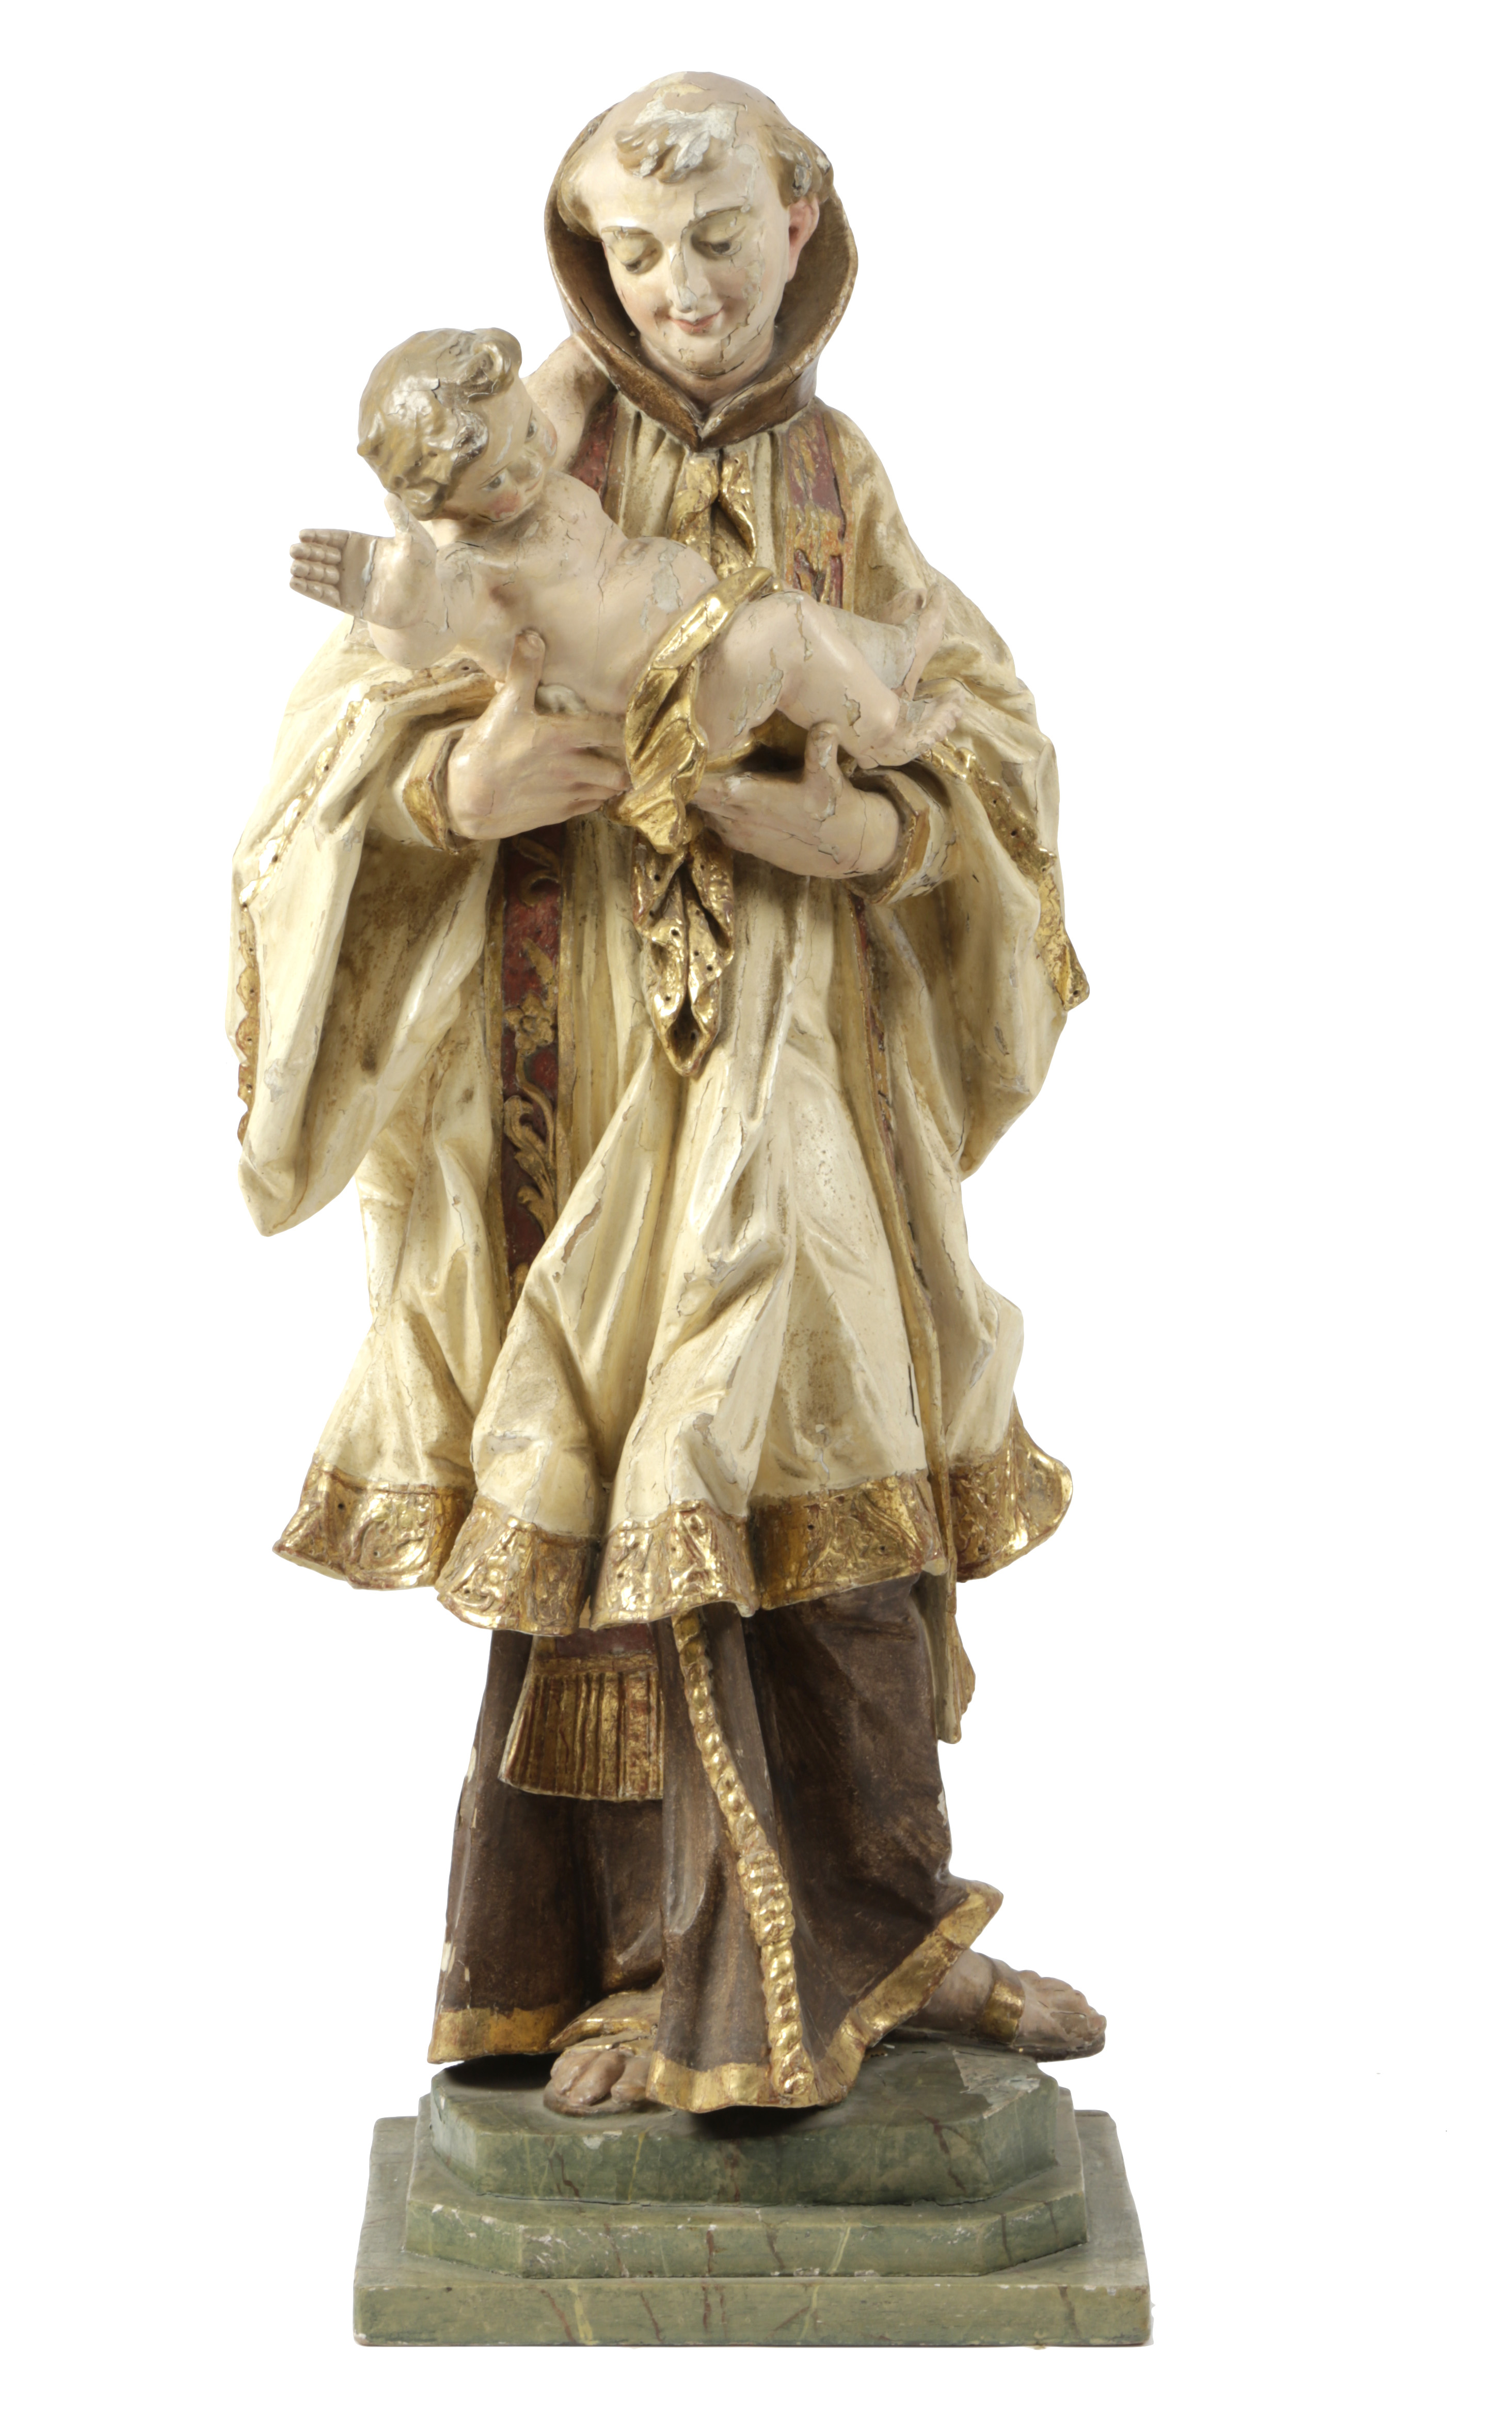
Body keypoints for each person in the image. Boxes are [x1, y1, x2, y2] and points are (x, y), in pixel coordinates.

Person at [231, 69, 1102, 2117]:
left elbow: (973, 732)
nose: (685, 292)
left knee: (849, 1495)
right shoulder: (516, 463)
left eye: (718, 243)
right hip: (585, 1097)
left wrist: (878, 838)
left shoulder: (835, 473)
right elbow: (324, 780)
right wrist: (454, 793)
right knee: (636, 1496)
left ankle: (878, 1931)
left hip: (811, 1093)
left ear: (799, 222)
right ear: (582, 263)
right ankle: (643, 1969)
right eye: (636, 256)